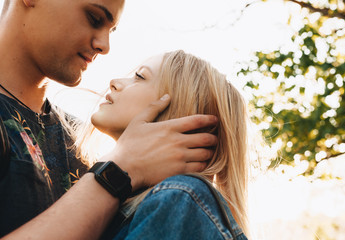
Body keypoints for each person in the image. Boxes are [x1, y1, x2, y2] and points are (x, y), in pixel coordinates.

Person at [0, 0, 218, 239]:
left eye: (111, 31)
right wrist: (117, 172)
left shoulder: (82, 141)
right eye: (94, 18)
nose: (105, 46)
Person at [76, 50, 249, 239]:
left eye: (139, 76)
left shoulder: (179, 198)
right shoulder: (121, 204)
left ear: (177, 110)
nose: (115, 83)